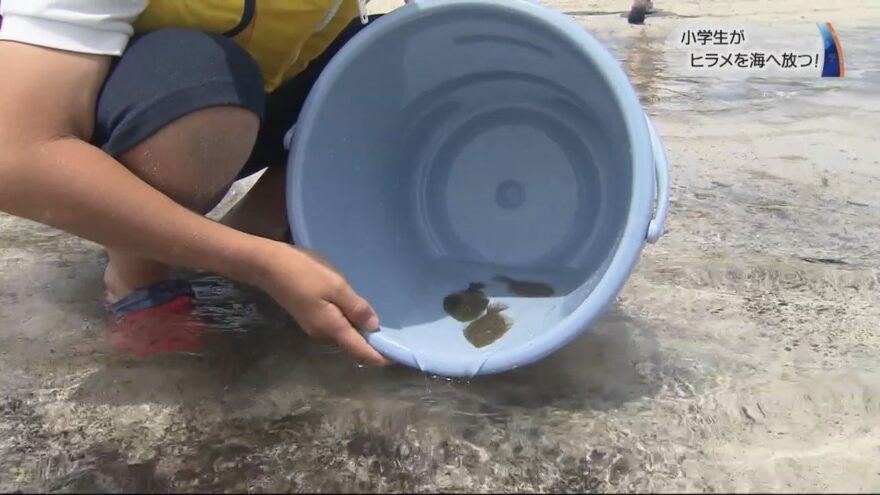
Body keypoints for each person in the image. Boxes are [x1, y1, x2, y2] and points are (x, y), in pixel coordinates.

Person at [0, 0, 396, 366]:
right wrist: (256, 264)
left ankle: (260, 224)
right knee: (200, 75)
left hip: (267, 77)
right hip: (140, 102)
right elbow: (15, 159)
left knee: (395, 54)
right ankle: (137, 277)